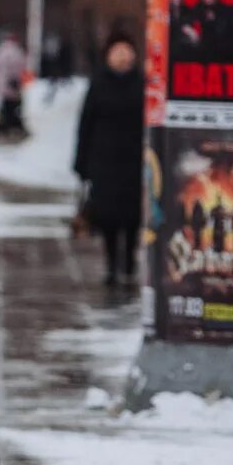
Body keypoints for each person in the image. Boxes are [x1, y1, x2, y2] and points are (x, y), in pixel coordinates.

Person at [72, 33, 144, 287]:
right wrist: (81, 162)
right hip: (104, 160)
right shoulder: (99, 83)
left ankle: (130, 261)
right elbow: (86, 124)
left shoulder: (143, 84)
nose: (123, 56)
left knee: (132, 216)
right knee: (108, 216)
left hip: (134, 159)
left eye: (127, 51)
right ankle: (112, 263)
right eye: (118, 51)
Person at [0, 31, 28, 139]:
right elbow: (22, 68)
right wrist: (21, 82)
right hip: (13, 84)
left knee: (6, 107)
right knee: (14, 108)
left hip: (2, 84)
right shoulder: (17, 51)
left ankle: (2, 128)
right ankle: (11, 127)